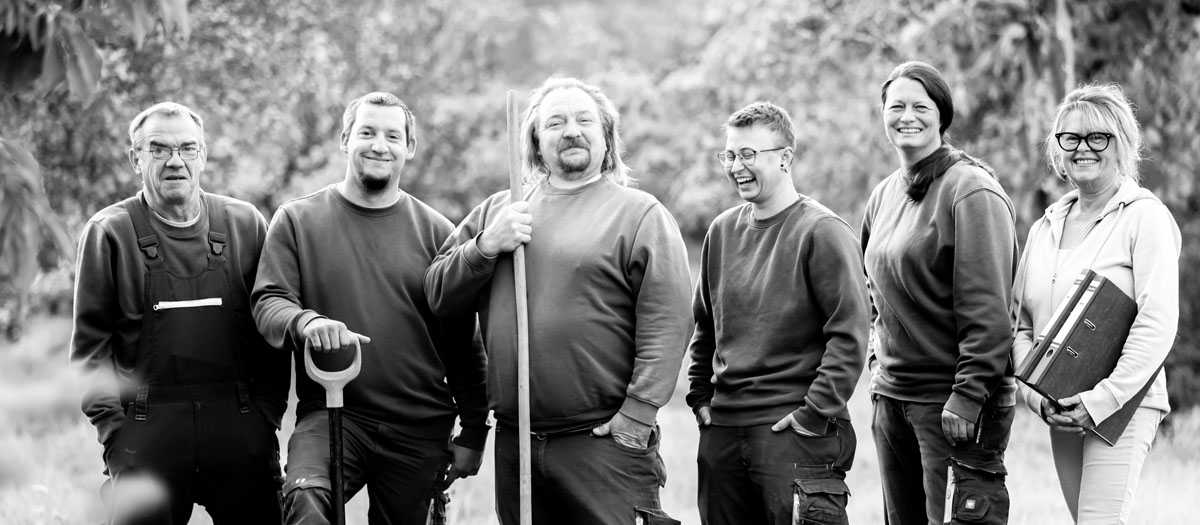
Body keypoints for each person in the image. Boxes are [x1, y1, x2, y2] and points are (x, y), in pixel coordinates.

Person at [424, 77, 692, 525]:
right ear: (535, 142)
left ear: (607, 136)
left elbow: (668, 320)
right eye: (555, 123)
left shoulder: (639, 214)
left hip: (602, 443)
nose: (571, 131)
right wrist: (485, 246)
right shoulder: (500, 211)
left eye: (585, 120)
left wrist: (639, 414)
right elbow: (437, 294)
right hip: (517, 443)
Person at [251, 92, 488, 525]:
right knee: (305, 499)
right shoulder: (297, 221)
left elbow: (462, 340)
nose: (380, 145)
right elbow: (269, 302)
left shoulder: (439, 233)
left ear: (409, 148)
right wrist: (306, 322)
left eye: (392, 136)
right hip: (333, 412)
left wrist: (474, 430)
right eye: (367, 132)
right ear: (345, 139)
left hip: (420, 425)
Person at [70, 102, 290, 524]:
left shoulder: (245, 224)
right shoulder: (109, 232)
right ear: (135, 159)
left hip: (241, 435)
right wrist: (117, 441)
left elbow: (272, 328)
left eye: (188, 148)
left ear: (202, 156)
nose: (175, 160)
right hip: (144, 440)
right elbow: (90, 352)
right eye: (158, 148)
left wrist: (267, 417)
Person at [686, 101, 868, 525]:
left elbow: (850, 333)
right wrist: (699, 397)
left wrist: (814, 413)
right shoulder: (721, 231)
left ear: (785, 158)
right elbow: (706, 326)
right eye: (730, 155)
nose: (736, 167)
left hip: (793, 434)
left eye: (748, 154)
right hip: (723, 434)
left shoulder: (822, 232)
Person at [1011, 83, 1180, 524]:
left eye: (1097, 137)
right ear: (1058, 148)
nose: (1082, 148)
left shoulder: (1145, 217)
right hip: (1060, 403)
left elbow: (1158, 321)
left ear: (1121, 143)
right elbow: (1020, 326)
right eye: (1071, 138)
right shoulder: (1044, 228)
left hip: (1122, 404)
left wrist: (1103, 399)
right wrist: (1036, 397)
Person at [861, 61, 1018, 525]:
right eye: (896, 107)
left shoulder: (970, 190)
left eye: (920, 106)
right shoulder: (883, 195)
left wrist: (968, 395)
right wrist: (876, 363)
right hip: (892, 400)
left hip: (952, 406)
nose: (907, 116)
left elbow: (988, 309)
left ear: (941, 115)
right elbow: (872, 293)